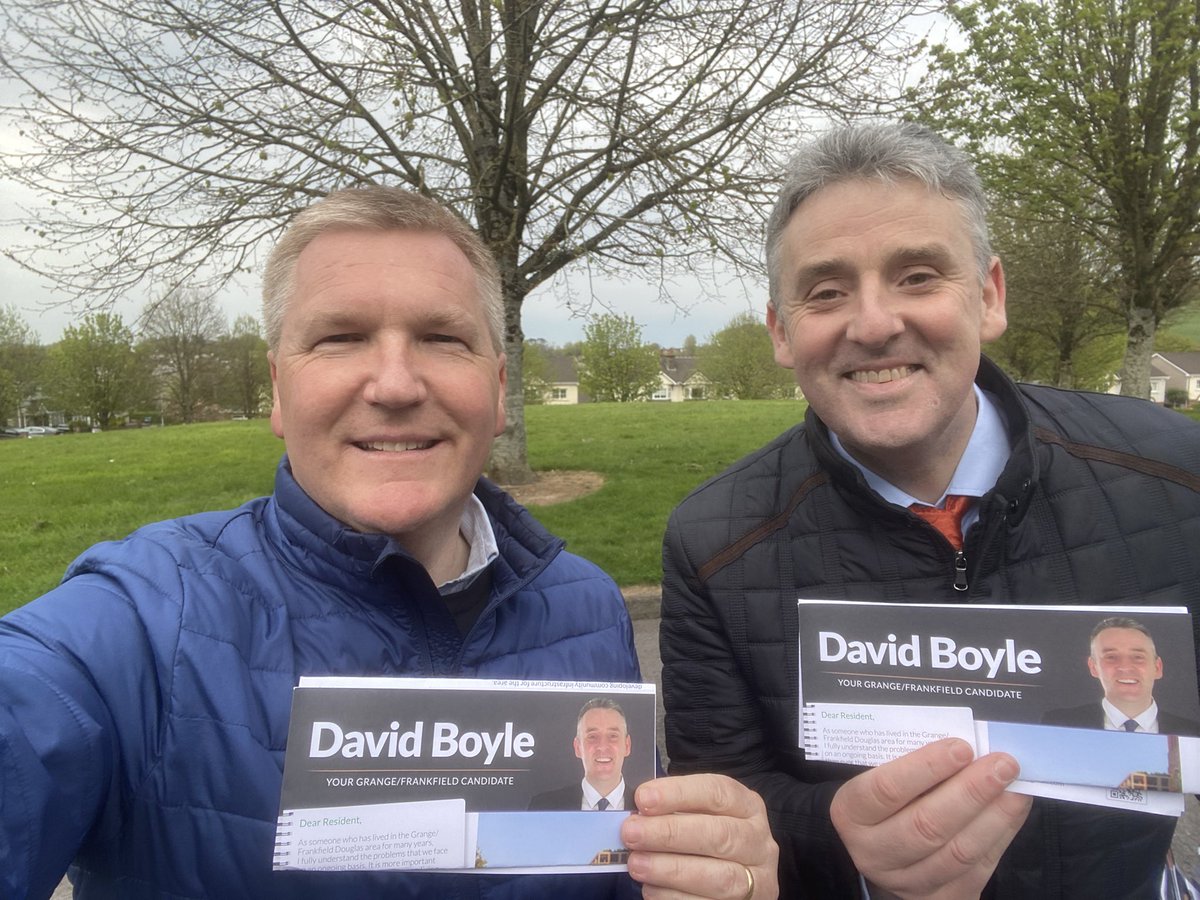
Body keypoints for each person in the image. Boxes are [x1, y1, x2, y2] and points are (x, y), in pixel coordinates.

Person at [0, 185, 778, 900]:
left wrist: (705, 871)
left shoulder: (585, 606)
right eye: (340, 337)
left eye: (443, 338)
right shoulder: (143, 620)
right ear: (277, 388)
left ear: (501, 390)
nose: (396, 384)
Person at [659, 121, 1200, 899]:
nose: (874, 324)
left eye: (917, 275)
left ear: (989, 296)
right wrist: (839, 830)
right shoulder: (712, 543)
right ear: (781, 332)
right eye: (826, 291)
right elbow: (729, 809)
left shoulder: (1174, 476)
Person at [1043, 616, 1200, 737]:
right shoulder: (1059, 723)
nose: (1125, 667)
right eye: (1111, 657)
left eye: (1138, 657)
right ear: (1093, 667)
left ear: (1157, 668)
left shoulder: (1193, 731)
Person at [529, 697, 637, 811]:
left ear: (627, 746)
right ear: (577, 747)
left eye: (613, 736)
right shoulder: (543, 807)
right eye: (592, 737)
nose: (602, 746)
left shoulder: (647, 808)